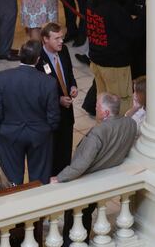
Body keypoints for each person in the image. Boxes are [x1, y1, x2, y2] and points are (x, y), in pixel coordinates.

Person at [52, 93, 138, 240]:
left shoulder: (98, 133)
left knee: (76, 215)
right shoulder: (130, 124)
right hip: (108, 175)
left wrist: (60, 178)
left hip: (88, 179)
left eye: (97, 106)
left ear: (105, 112)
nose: (95, 107)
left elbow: (81, 164)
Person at [0, 40, 60, 185]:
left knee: (11, 182)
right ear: (38, 59)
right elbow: (53, 115)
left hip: (9, 134)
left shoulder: (2, 77)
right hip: (39, 135)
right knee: (39, 181)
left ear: (20, 55)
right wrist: (47, 129)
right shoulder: (48, 82)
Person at [86, 0, 142, 114]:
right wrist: (144, 14)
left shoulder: (92, 2)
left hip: (96, 61)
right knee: (121, 101)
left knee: (103, 100)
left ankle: (104, 129)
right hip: (115, 65)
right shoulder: (113, 9)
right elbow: (132, 32)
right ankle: (120, 133)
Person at [35, 23, 78, 175]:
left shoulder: (64, 50)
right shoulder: (38, 59)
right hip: (50, 115)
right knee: (52, 153)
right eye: (57, 38)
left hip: (67, 112)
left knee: (66, 150)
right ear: (45, 39)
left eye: (62, 37)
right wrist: (58, 99)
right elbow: (38, 91)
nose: (61, 41)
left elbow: (69, 73)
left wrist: (73, 86)